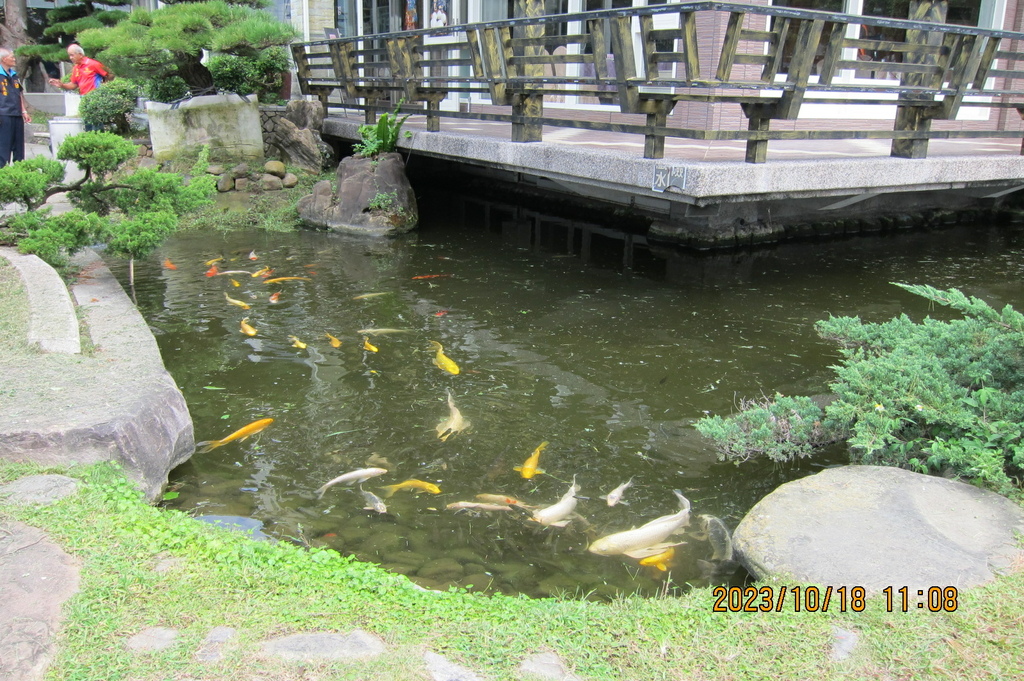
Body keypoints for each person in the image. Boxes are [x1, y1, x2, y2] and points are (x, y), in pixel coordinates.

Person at [47, 44, 112, 130]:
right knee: (88, 124)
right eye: (69, 55)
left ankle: (100, 142)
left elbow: (110, 74)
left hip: (95, 97)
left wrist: (105, 85)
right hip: (83, 98)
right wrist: (62, 85)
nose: (70, 58)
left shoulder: (93, 64)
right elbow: (73, 85)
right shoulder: (76, 68)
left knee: (97, 124)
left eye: (72, 55)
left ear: (80, 54)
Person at [0, 47, 32, 168]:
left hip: (16, 114)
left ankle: (20, 171)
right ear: (3, 59)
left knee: (19, 147)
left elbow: (19, 94)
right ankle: (3, 173)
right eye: (12, 57)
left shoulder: (14, 76)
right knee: (3, 146)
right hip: (3, 115)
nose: (14, 59)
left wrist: (24, 111)